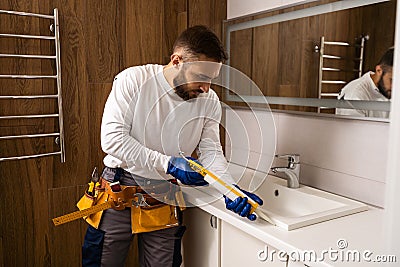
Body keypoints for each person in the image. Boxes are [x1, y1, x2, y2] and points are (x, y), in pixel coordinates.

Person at [81, 25, 263, 267]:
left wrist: (229, 190)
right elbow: (113, 139)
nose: (206, 88)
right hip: (119, 189)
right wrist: (168, 163)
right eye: (202, 77)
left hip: (164, 194)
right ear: (177, 61)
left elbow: (211, 153)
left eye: (212, 79)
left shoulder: (209, 101)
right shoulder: (134, 80)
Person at [336, 47, 394, 118]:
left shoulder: (389, 91)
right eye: (392, 80)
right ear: (379, 70)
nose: (396, 87)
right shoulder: (355, 95)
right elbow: (351, 129)